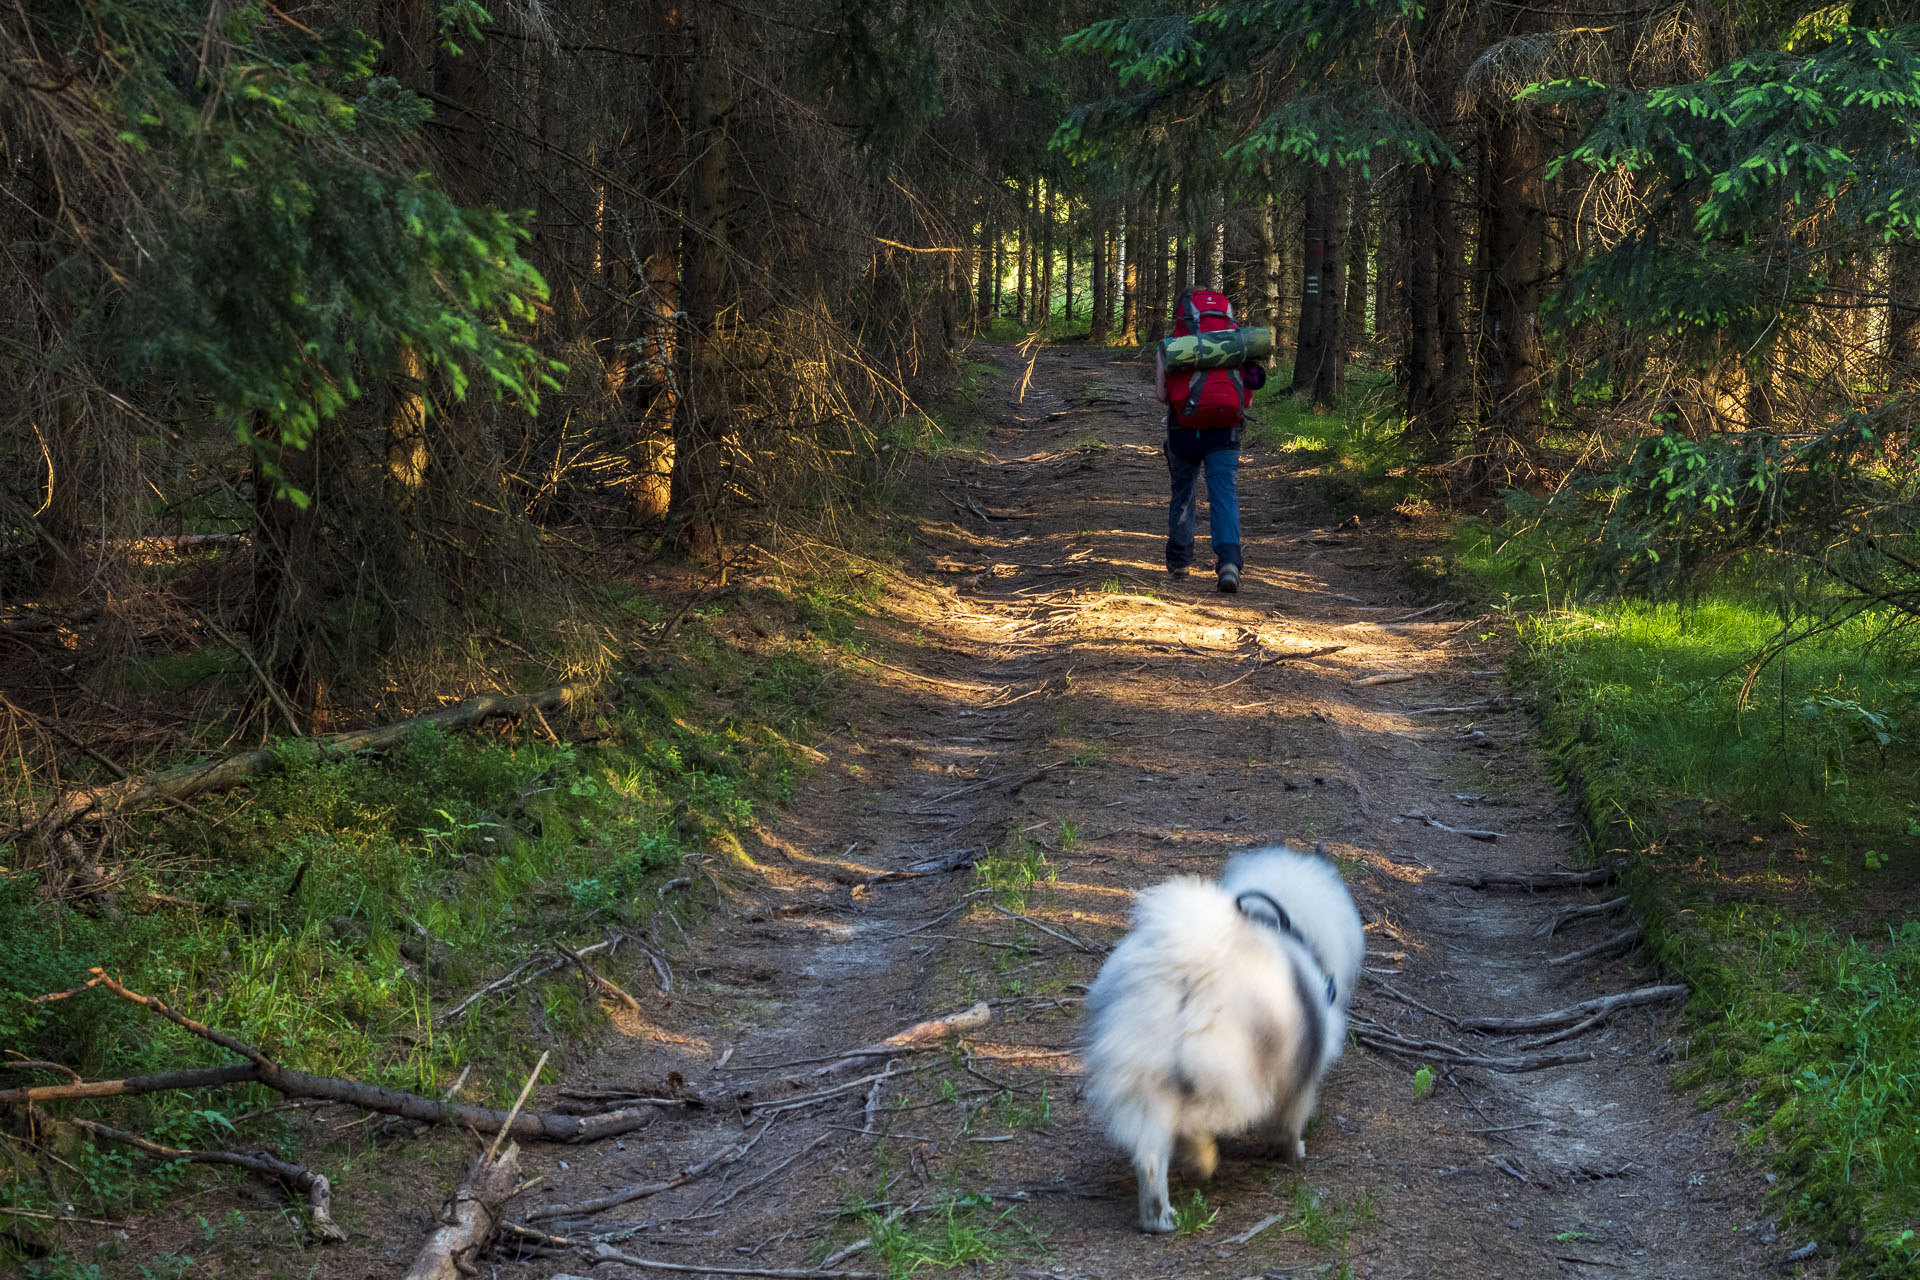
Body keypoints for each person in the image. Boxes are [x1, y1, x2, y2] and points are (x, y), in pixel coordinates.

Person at [1165, 347, 1265, 593]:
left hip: (1183, 429)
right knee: (1224, 495)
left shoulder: (1176, 344)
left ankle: (1180, 560)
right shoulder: (1237, 342)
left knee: (1183, 490)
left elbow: (1161, 393)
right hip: (1225, 428)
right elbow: (1250, 392)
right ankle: (1229, 563)